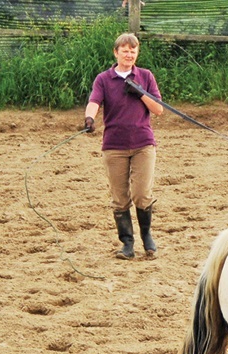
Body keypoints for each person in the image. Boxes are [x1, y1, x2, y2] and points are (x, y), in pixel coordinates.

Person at [84, 33, 164, 259]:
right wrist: (90, 118)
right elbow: (94, 101)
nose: (129, 54)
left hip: (143, 144)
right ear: (116, 52)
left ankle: (147, 235)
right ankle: (127, 243)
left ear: (137, 53)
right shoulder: (103, 79)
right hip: (114, 146)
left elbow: (158, 109)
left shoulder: (146, 76)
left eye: (133, 51)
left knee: (141, 193)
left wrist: (140, 93)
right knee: (119, 197)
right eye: (125, 50)